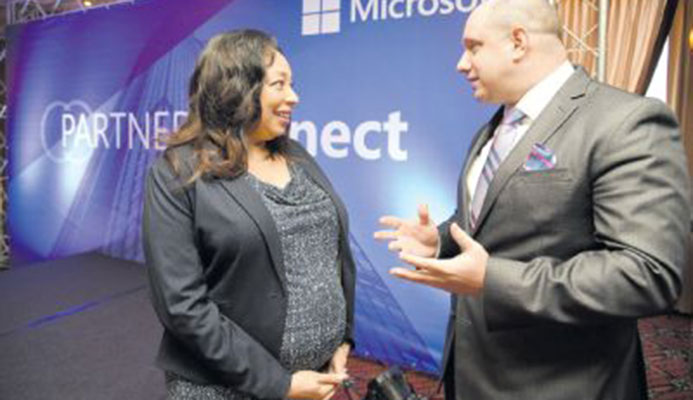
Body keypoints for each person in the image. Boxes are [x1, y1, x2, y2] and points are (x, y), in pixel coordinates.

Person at [375, 0, 691, 399]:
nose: (460, 63)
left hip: (563, 385)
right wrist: (440, 240)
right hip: (476, 376)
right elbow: (488, 223)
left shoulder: (626, 122)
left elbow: (646, 274)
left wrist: (493, 279)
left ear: (518, 43)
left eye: (473, 47)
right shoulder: (495, 126)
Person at [143, 29, 355, 400]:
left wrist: (342, 338)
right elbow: (182, 305)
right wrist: (280, 384)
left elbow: (333, 255)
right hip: (221, 389)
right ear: (238, 88)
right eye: (280, 84)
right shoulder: (178, 171)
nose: (294, 96)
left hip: (313, 381)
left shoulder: (297, 156)